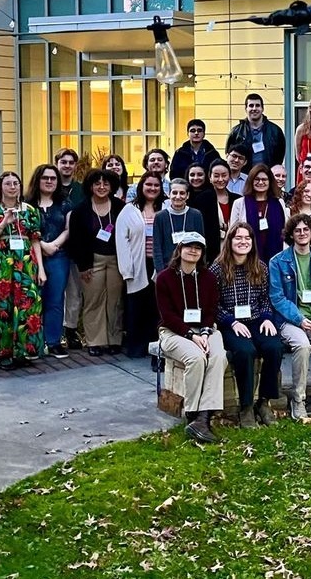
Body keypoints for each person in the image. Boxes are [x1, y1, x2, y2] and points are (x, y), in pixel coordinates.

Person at [154, 232, 226, 443]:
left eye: (198, 247)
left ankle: (203, 418)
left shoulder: (208, 278)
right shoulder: (165, 278)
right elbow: (167, 315)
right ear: (180, 249)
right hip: (173, 331)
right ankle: (192, 414)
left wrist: (204, 332)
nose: (193, 250)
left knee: (218, 356)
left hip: (204, 329)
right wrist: (190, 336)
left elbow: (212, 310)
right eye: (189, 246)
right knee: (195, 358)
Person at [211, 223, 283, 428]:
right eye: (238, 238)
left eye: (247, 238)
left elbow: (266, 299)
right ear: (230, 241)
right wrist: (230, 321)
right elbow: (212, 304)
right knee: (245, 351)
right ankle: (246, 406)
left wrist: (268, 317)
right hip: (230, 323)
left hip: (257, 320)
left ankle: (264, 402)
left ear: (252, 242)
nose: (243, 242)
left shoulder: (260, 267)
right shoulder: (217, 268)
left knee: (274, 347)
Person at [270, 213, 311, 419]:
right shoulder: (278, 262)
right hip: (291, 320)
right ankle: (298, 398)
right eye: (297, 230)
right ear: (291, 234)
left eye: (306, 230)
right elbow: (277, 297)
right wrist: (299, 319)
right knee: (302, 345)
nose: (302, 233)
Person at [0, 172, 45, 370]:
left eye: (16, 183)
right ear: (0, 187)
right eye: (8, 183)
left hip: (24, 265)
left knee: (26, 307)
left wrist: (40, 268)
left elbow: (35, 240)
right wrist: (3, 223)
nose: (13, 187)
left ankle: (23, 351)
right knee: (0, 308)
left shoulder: (30, 210)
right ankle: (2, 353)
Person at [67, 168, 126, 357]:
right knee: (94, 302)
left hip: (117, 260)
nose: (101, 187)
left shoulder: (121, 207)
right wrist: (83, 266)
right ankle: (95, 341)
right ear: (90, 186)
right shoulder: (80, 210)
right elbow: (75, 241)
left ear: (112, 186)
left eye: (106, 183)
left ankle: (114, 340)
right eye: (97, 183)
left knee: (115, 302)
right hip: (92, 261)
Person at [26, 165, 72, 359]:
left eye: (53, 178)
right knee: (32, 300)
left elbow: (69, 228)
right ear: (38, 180)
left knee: (55, 300)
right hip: (31, 258)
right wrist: (42, 245)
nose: (49, 181)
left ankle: (53, 342)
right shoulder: (27, 204)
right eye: (45, 178)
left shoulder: (65, 203)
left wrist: (54, 245)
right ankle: (32, 344)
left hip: (58, 256)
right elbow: (24, 230)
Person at [116, 172, 162, 360]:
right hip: (138, 264)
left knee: (157, 307)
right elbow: (121, 239)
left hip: (159, 264)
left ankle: (156, 347)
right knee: (137, 307)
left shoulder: (166, 207)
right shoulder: (129, 209)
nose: (152, 188)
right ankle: (137, 347)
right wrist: (127, 269)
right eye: (148, 185)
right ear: (141, 187)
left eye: (156, 185)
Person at [55, 148, 84, 349]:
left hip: (74, 248)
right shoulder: (48, 185)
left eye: (70, 162)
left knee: (74, 292)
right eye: (63, 162)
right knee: (54, 293)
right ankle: (51, 333)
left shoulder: (81, 189)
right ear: (57, 163)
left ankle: (71, 330)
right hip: (51, 248)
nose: (67, 166)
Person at [230, 164, 288, 263]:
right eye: (257, 179)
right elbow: (232, 232)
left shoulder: (279, 203)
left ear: (270, 182)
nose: (260, 182)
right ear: (251, 181)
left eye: (264, 179)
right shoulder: (239, 203)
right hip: (247, 259)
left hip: (276, 259)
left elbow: (286, 231)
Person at [154, 178, 207, 274]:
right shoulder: (160, 216)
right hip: (167, 269)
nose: (178, 196)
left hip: (190, 269)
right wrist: (160, 272)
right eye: (174, 193)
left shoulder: (196, 215)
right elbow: (157, 247)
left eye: (182, 193)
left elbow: (201, 244)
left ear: (188, 195)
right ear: (169, 194)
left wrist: (200, 269)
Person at [227, 92, 286, 168]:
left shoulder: (275, 131)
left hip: (267, 176)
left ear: (262, 108)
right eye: (251, 106)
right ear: (246, 109)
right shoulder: (236, 132)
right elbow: (229, 154)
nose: (254, 108)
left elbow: (280, 156)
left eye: (257, 105)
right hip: (244, 176)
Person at [186, 163, 221, 262]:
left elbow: (213, 226)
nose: (196, 178)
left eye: (200, 174)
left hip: (209, 246)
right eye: (192, 175)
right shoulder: (183, 195)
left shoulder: (211, 195)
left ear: (206, 176)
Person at [209, 159, 236, 244]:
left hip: (233, 245)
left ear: (229, 176)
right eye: (216, 176)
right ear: (210, 177)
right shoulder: (202, 200)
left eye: (224, 175)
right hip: (211, 247)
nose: (220, 179)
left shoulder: (237, 199)